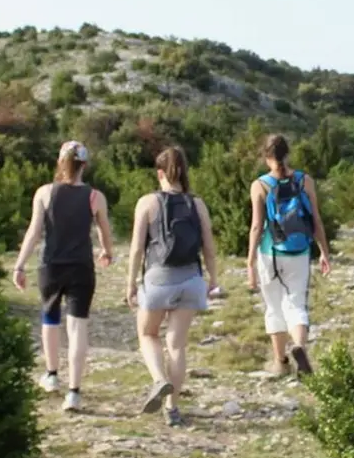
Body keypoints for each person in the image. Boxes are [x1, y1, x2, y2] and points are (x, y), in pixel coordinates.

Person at [13, 140, 115, 413]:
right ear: (85, 165)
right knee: (77, 326)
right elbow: (104, 230)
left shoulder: (44, 193)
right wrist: (106, 251)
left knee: (50, 318)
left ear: (60, 163)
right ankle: (74, 392)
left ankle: (52, 375)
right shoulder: (95, 197)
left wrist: (19, 265)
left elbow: (34, 232)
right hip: (81, 266)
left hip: (51, 265)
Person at [124, 146, 222, 428]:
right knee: (177, 344)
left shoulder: (147, 202)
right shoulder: (197, 203)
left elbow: (136, 249)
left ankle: (158, 380)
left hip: (158, 278)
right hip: (191, 279)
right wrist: (213, 280)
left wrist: (131, 283)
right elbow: (209, 247)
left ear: (159, 173)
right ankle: (173, 409)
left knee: (147, 333)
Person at [247, 133, 330, 377]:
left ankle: (281, 362)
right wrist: (324, 252)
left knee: (274, 306)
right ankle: (299, 346)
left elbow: (256, 226)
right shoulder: (305, 181)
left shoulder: (260, 185)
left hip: (270, 252)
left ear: (266, 157)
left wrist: (250, 260)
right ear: (288, 154)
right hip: (299, 250)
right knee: (296, 303)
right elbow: (316, 219)